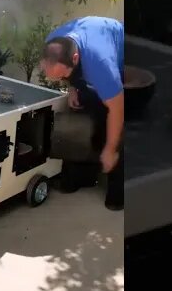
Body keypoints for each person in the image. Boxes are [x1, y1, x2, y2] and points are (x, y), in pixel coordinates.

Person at [39, 16, 125, 210]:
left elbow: (117, 108)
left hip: (119, 54)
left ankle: (117, 193)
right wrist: (71, 89)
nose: (59, 78)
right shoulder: (53, 42)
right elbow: (66, 71)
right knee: (80, 114)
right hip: (85, 56)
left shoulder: (101, 64)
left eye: (62, 75)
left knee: (110, 124)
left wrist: (110, 149)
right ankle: (80, 177)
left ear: (76, 59)